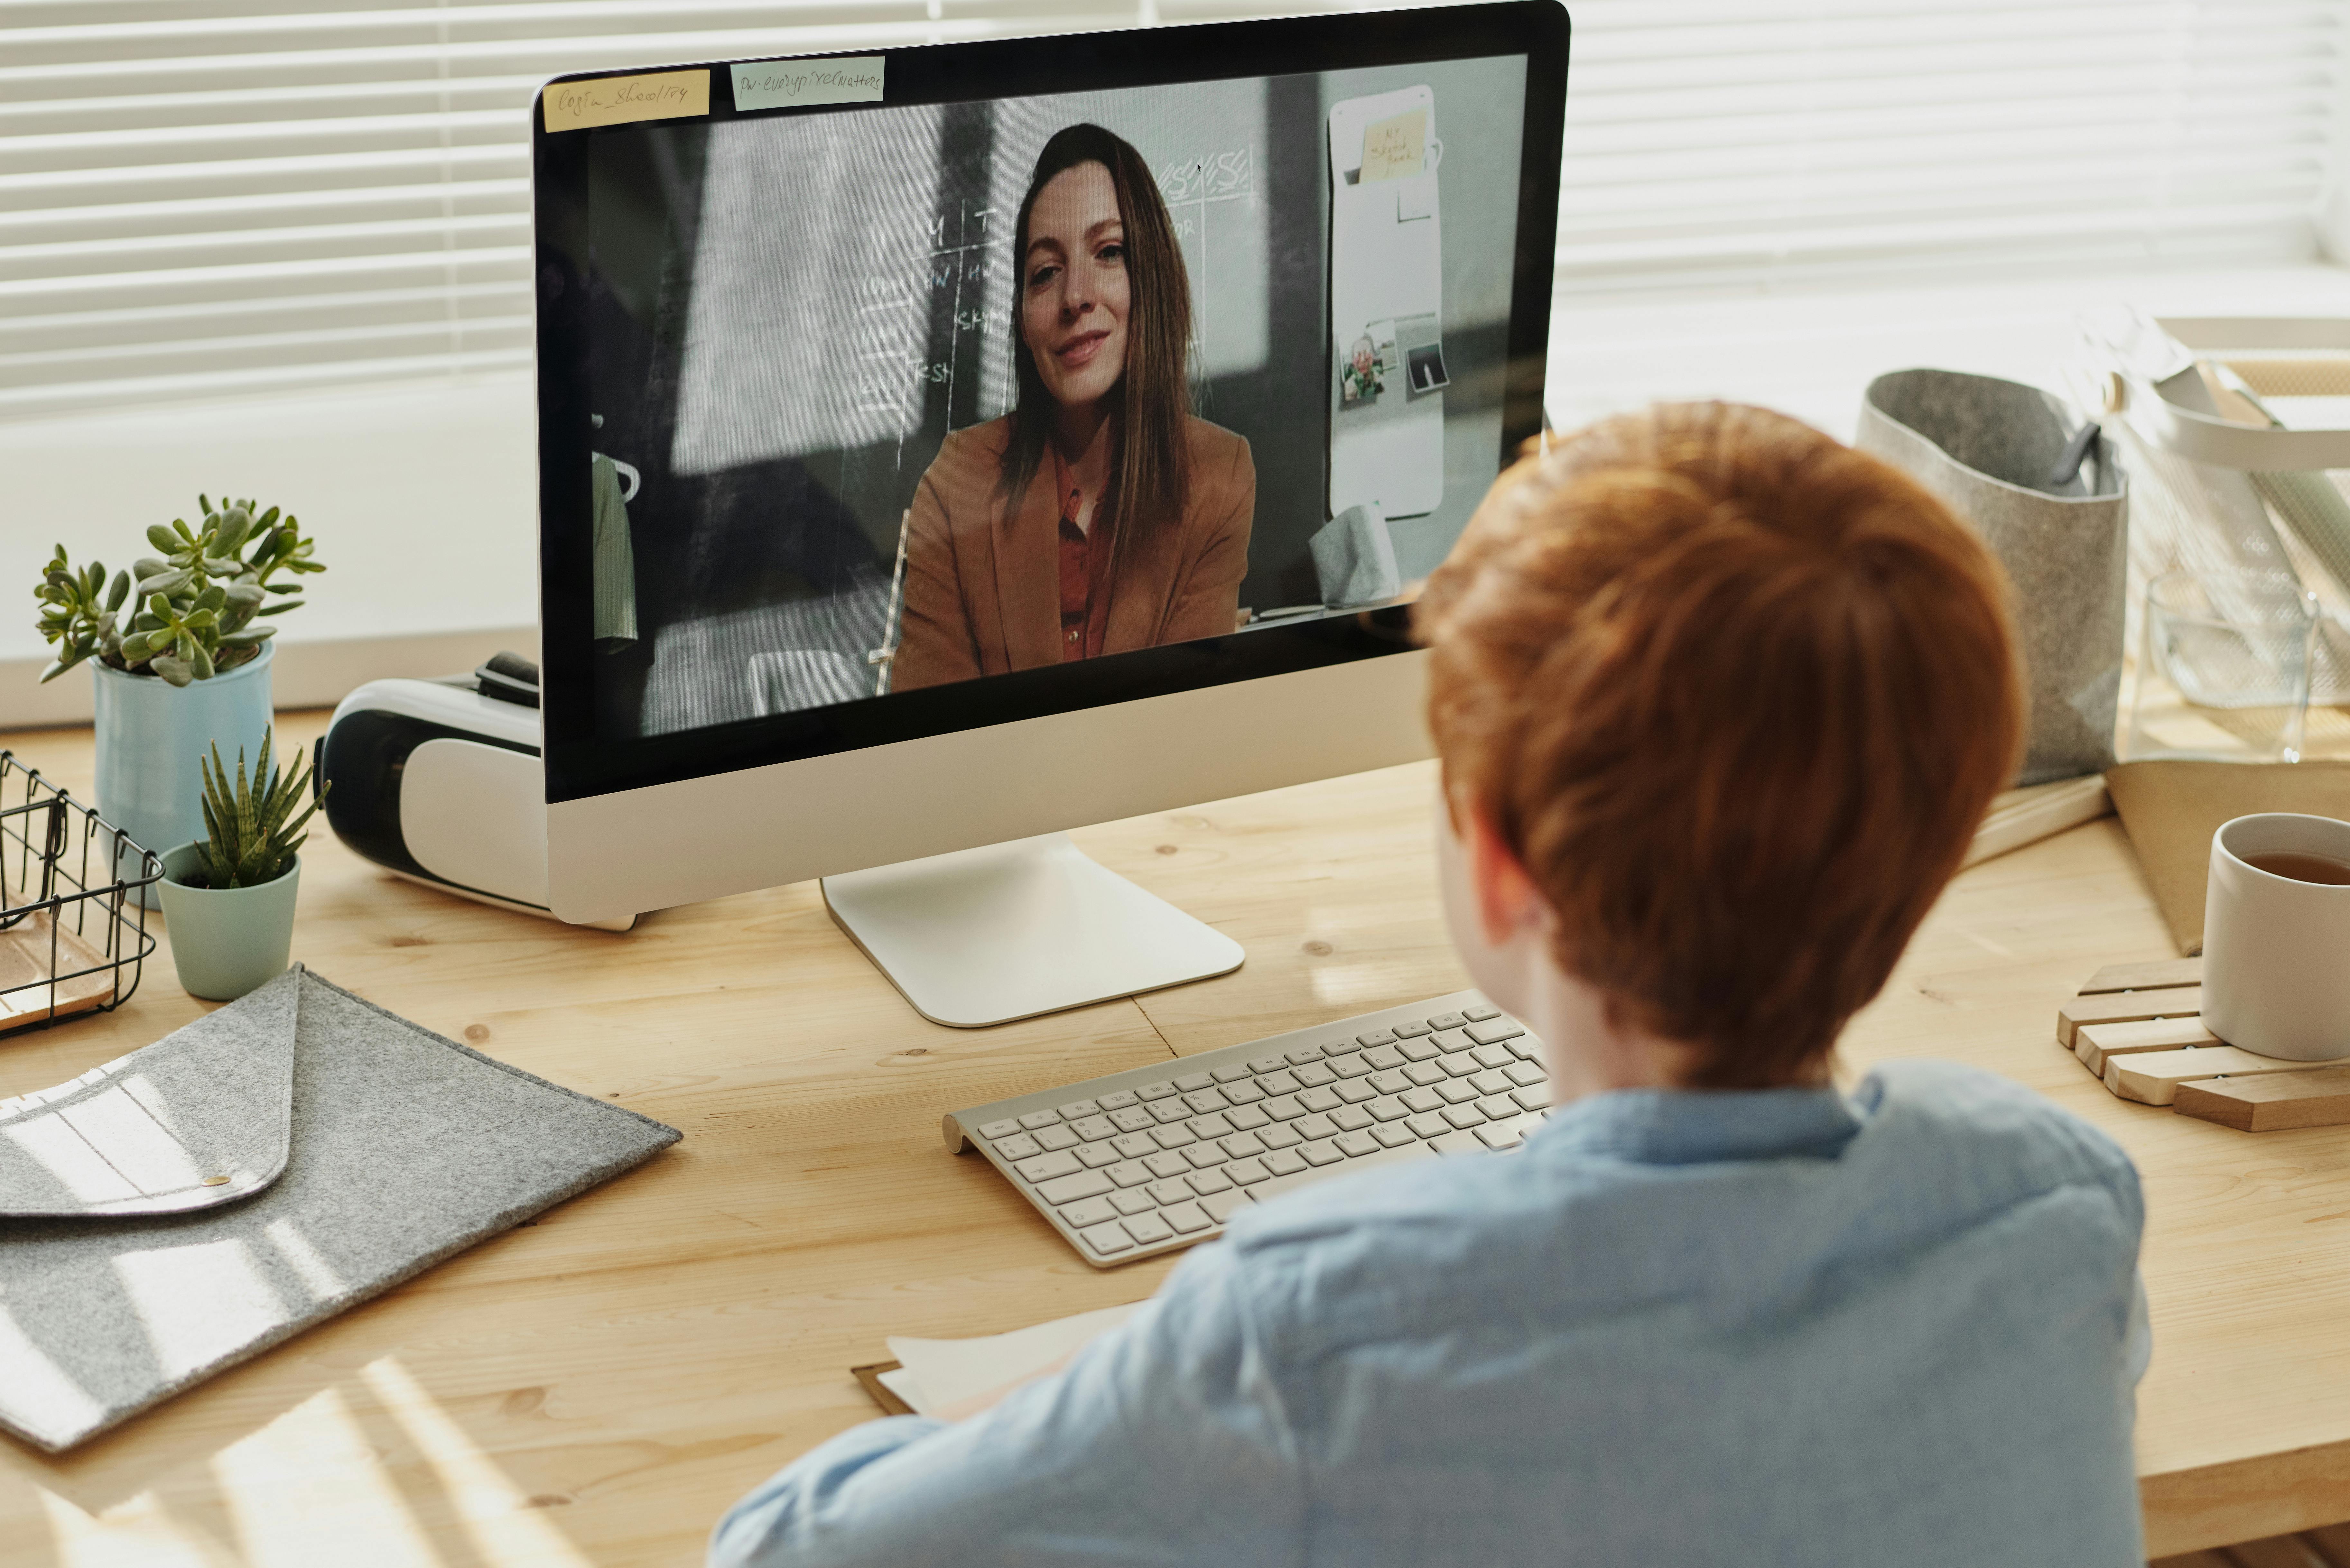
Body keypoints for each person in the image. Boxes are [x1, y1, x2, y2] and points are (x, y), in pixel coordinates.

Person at [710, 404, 2150, 1567]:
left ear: (1505, 866)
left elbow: (782, 1552)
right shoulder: (2054, 1198)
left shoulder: (1320, 1335)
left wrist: (1101, 1406)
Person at [889, 124, 1255, 691]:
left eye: (1109, 252)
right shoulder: (954, 485)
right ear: (1023, 319)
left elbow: (1181, 727)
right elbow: (934, 743)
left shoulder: (1219, 476)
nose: (1075, 296)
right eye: (1045, 273)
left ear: (1151, 278)